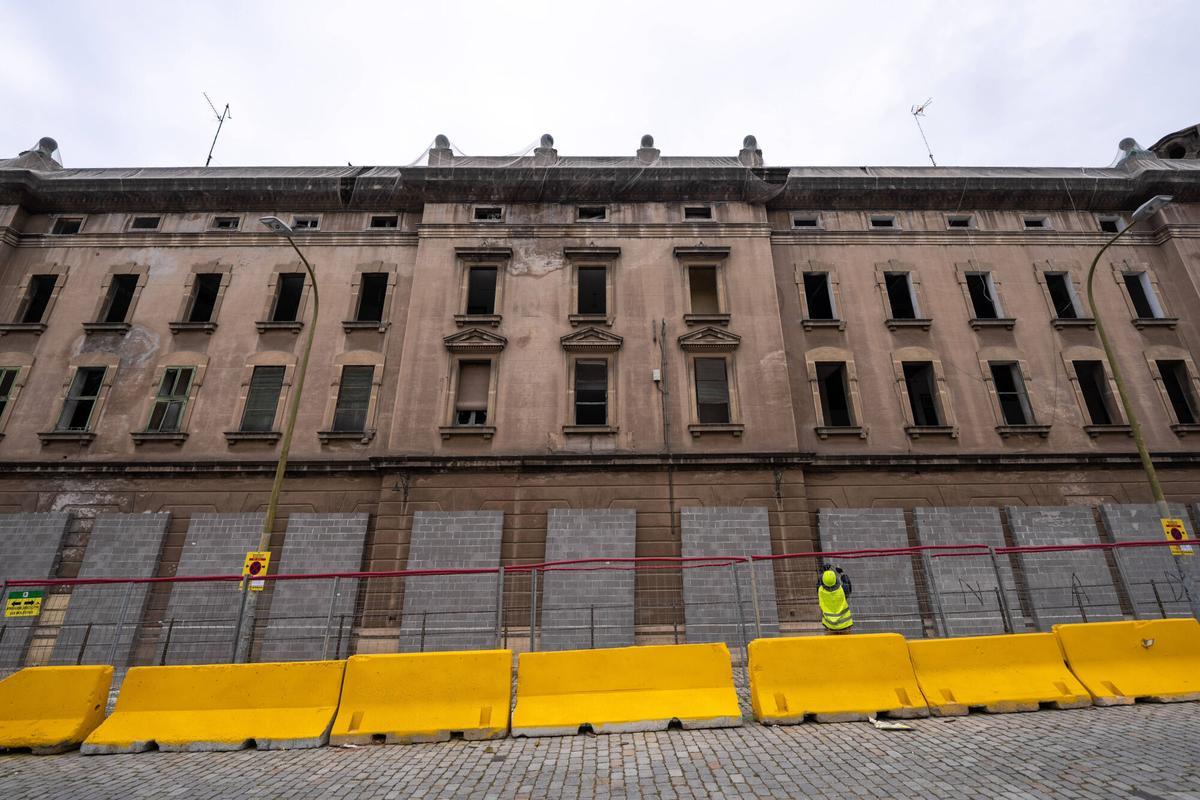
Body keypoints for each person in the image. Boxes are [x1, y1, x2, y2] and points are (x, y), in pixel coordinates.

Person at [817, 564, 853, 634]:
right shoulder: (842, 590)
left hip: (829, 626)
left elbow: (819, 583)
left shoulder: (820, 591)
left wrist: (825, 572)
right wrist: (842, 573)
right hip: (845, 625)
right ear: (836, 580)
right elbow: (848, 584)